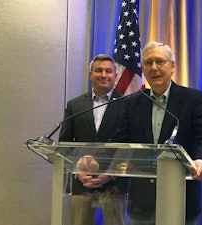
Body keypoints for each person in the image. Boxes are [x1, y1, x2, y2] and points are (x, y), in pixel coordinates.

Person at [110, 41, 202, 225]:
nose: (154, 68)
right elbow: (119, 141)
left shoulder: (192, 99)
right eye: (148, 63)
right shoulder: (132, 103)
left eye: (160, 62)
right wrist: (97, 160)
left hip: (181, 200)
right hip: (141, 204)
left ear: (172, 66)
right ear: (142, 69)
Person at [59, 54, 129, 225]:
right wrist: (78, 172)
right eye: (98, 70)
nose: (103, 75)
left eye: (108, 71)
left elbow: (129, 146)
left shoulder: (128, 104)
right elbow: (65, 144)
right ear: (90, 75)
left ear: (115, 76)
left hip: (114, 186)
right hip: (82, 184)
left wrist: (111, 173)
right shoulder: (74, 105)